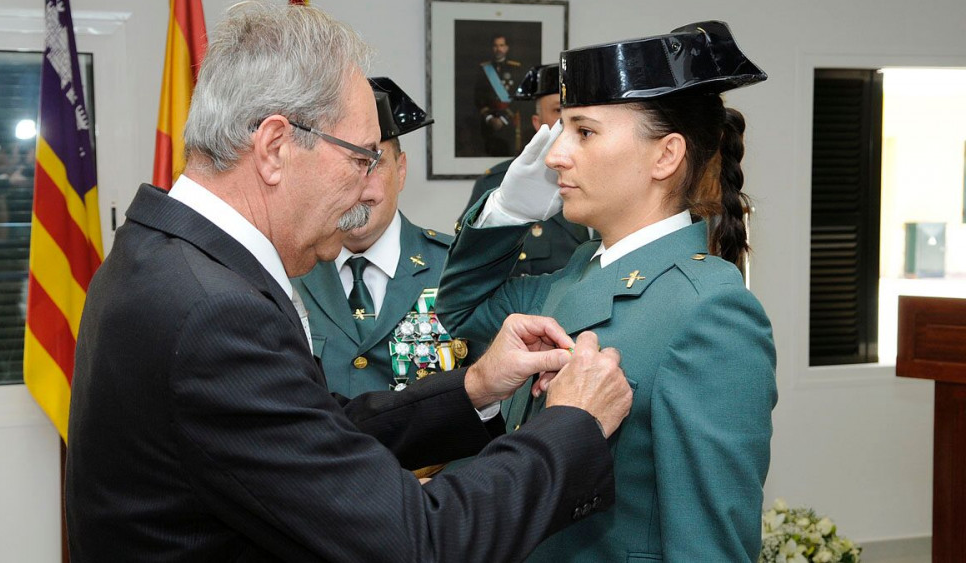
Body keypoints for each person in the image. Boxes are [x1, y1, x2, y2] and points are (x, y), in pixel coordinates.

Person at [66, 3, 632, 562]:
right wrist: (571, 425)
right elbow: (419, 545)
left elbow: (316, 431)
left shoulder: (158, 256)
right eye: (361, 157)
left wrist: (475, 387)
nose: (368, 190)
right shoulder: (214, 311)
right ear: (274, 148)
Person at [437, 21, 778, 561]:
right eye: (561, 130)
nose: (554, 156)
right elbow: (460, 309)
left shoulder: (710, 310)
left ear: (665, 157)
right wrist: (509, 211)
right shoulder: (576, 275)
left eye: (584, 132)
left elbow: (711, 541)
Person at [293, 77, 472, 402]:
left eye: (373, 163)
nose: (359, 184)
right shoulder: (290, 269)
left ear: (401, 171)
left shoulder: (455, 268)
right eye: (346, 164)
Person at [461, 63, 591, 277]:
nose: (568, 121)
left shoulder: (611, 175)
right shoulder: (498, 184)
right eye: (558, 110)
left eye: (578, 113)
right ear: (537, 122)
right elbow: (469, 268)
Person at [473, 34, 523, 156]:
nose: (498, 48)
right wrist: (489, 118)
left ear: (507, 48)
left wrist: (502, 119)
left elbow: (520, 97)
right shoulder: (484, 68)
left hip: (508, 121)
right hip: (488, 122)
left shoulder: (516, 69)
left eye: (501, 45)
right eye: (495, 45)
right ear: (492, 48)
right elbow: (478, 96)